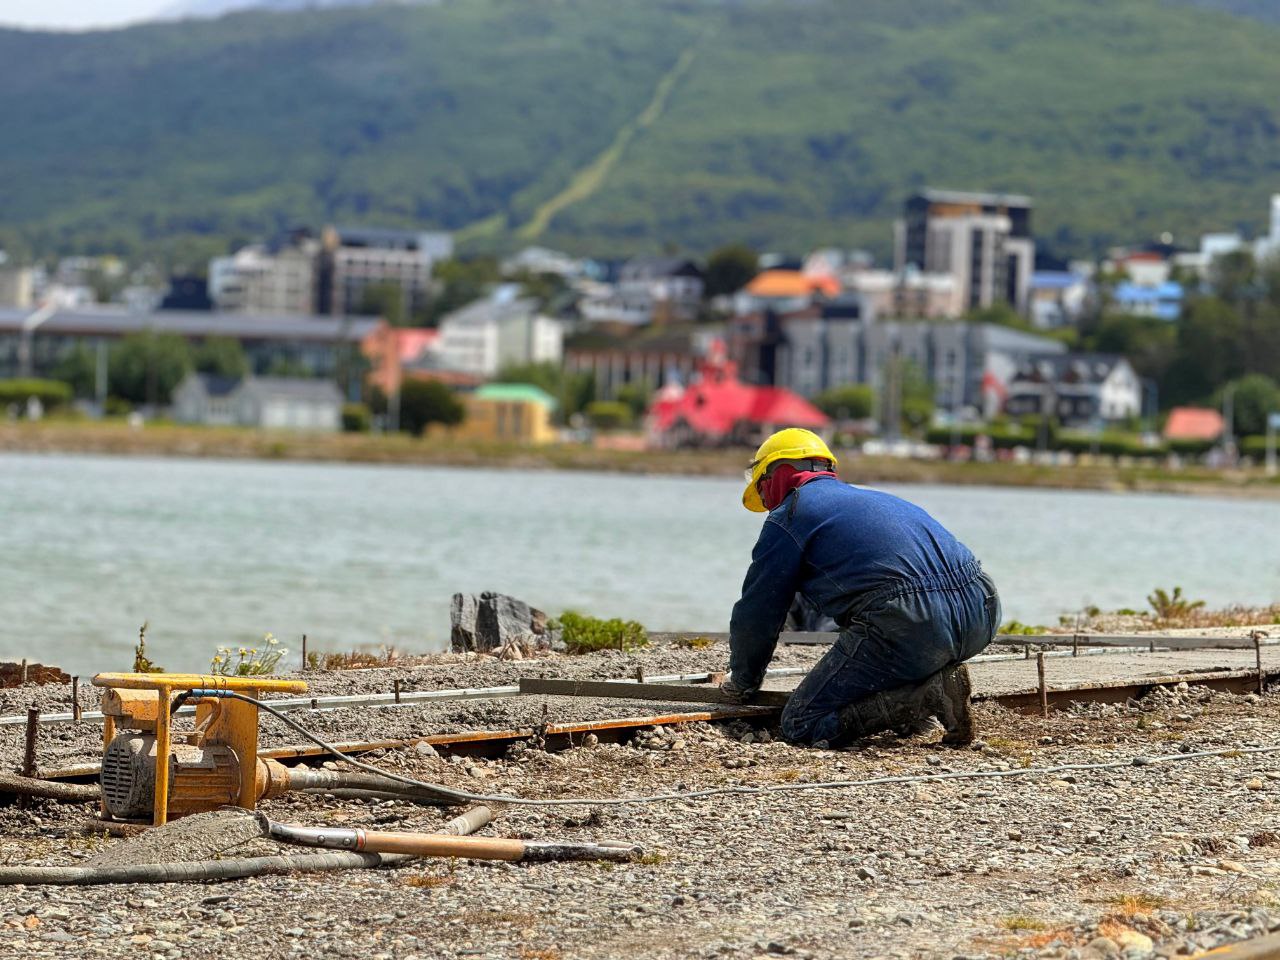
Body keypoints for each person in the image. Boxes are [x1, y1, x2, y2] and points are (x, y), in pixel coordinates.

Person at [720, 428, 1001, 747]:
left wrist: (743, 681)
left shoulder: (791, 515)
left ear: (777, 475)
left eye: (763, 490)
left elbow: (758, 611)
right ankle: (921, 698)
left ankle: (923, 700)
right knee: (886, 647)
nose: (768, 505)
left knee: (801, 721)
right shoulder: (875, 498)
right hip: (982, 609)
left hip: (914, 624)